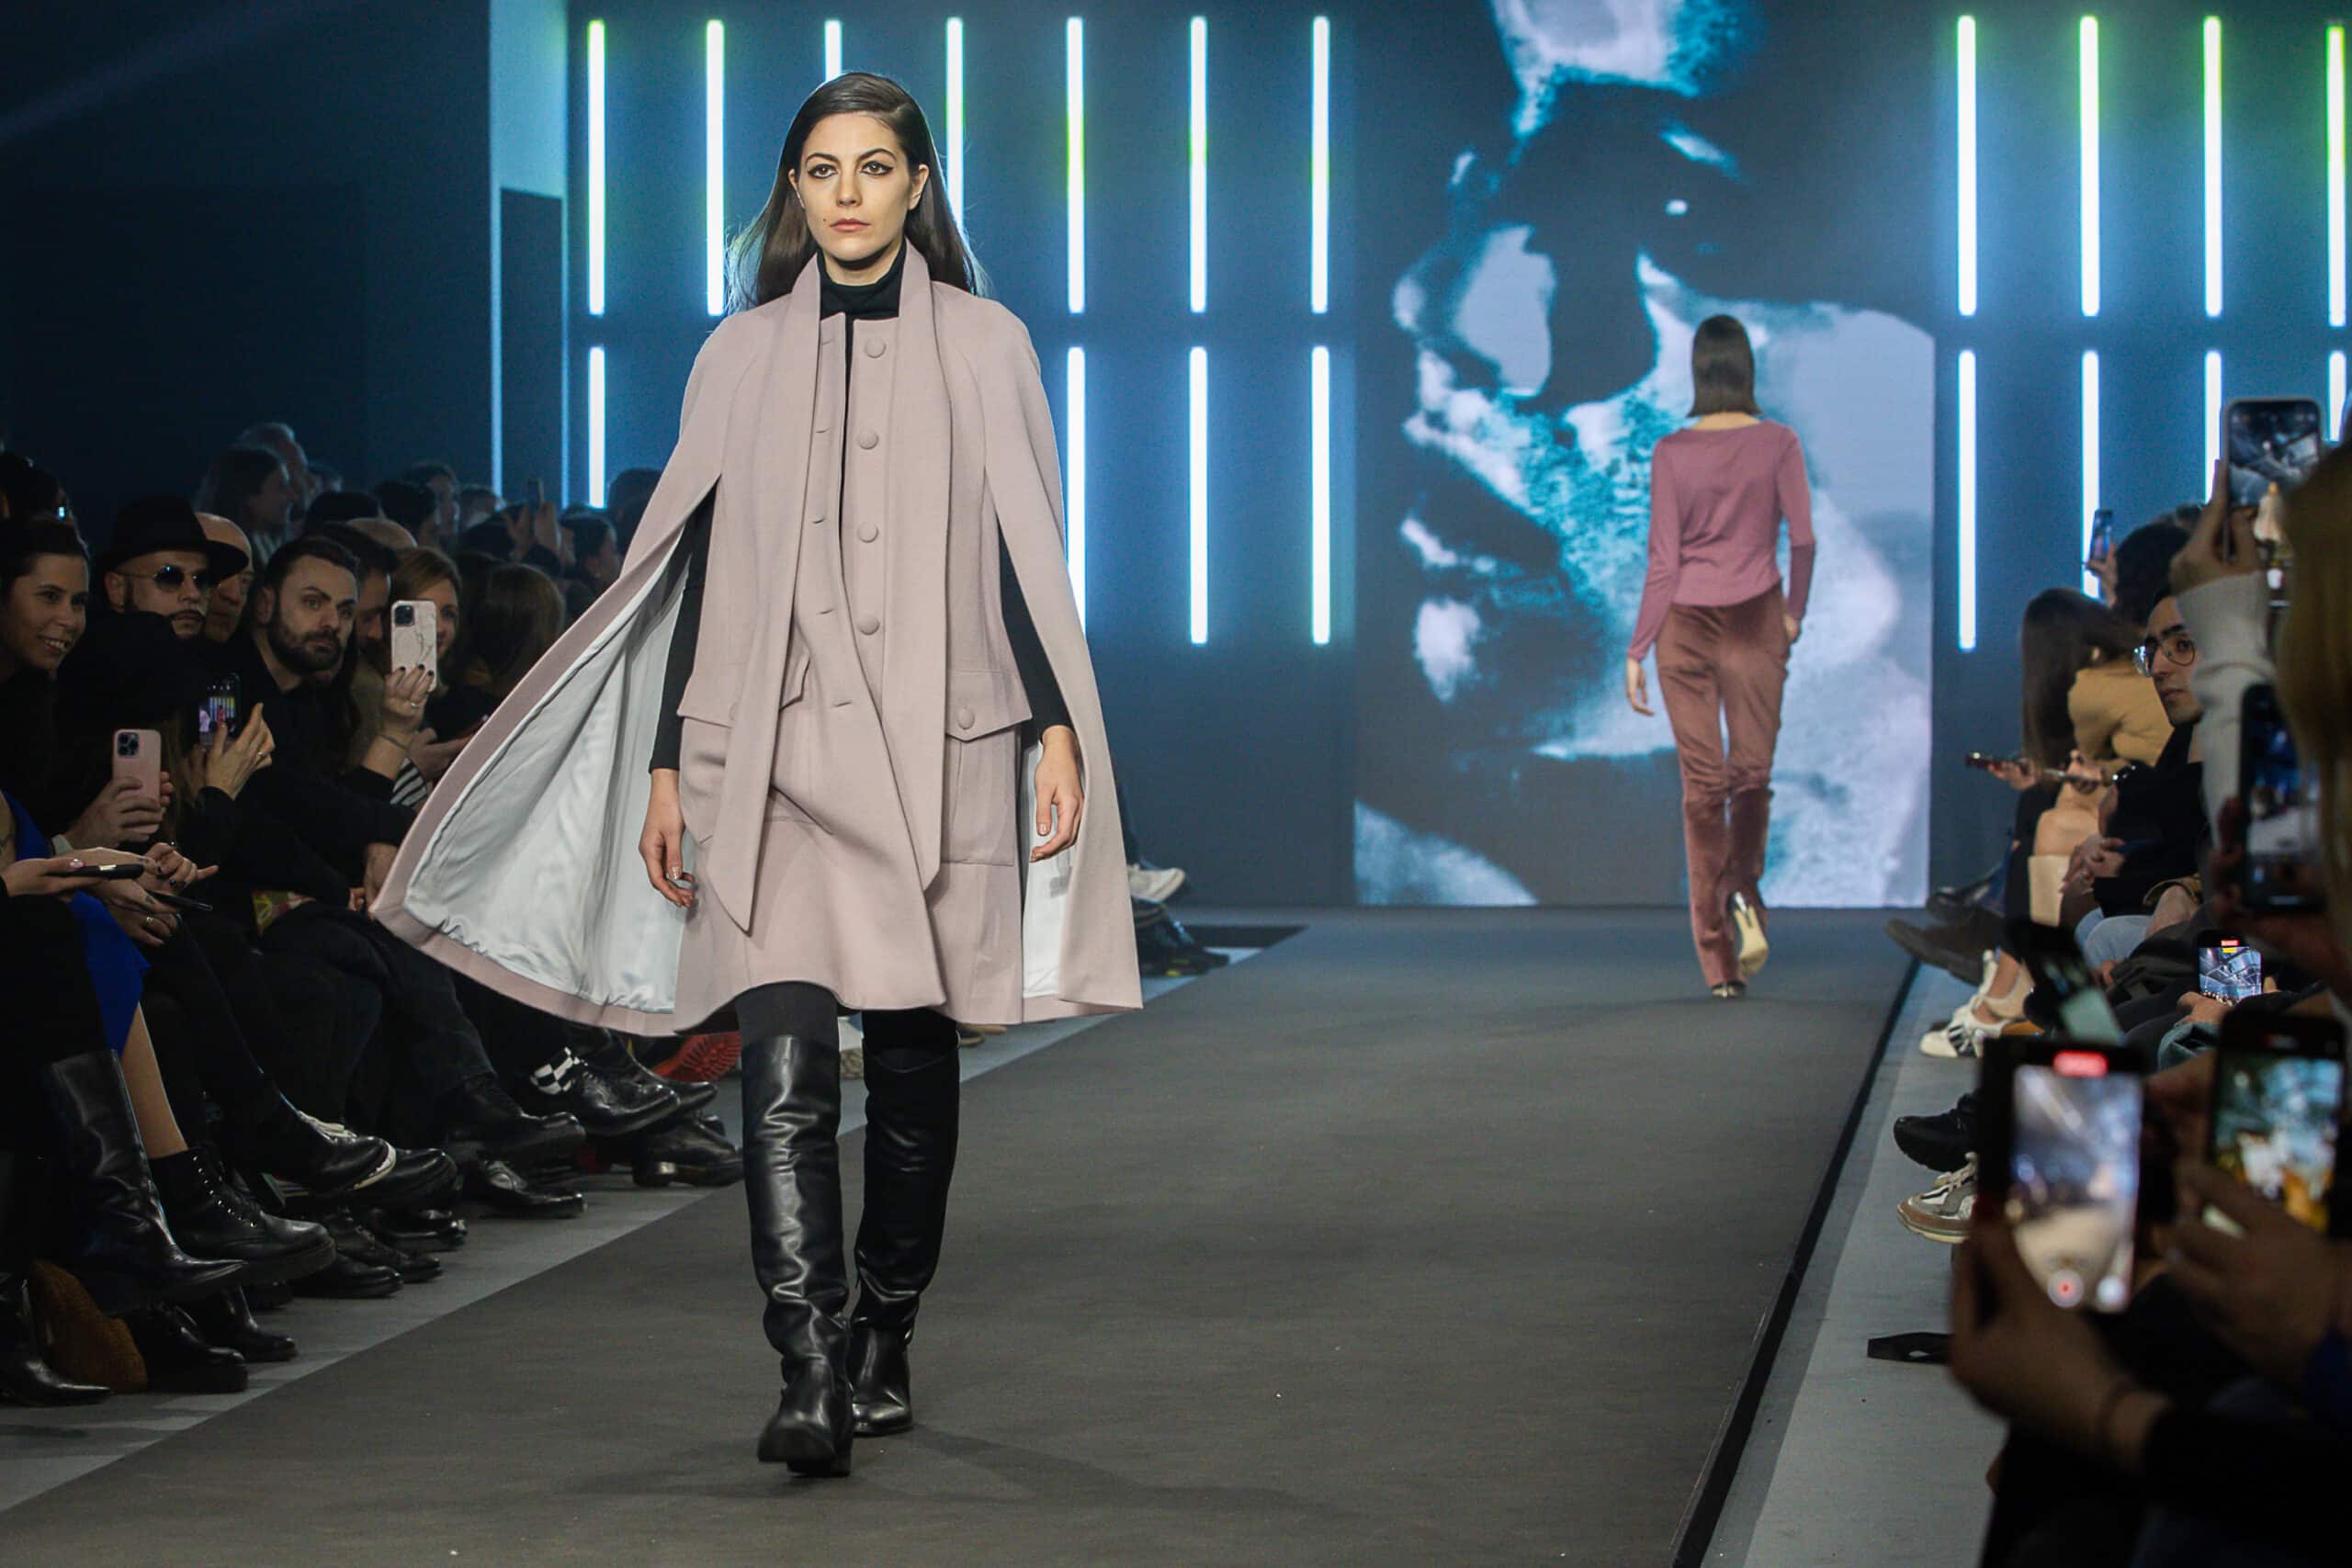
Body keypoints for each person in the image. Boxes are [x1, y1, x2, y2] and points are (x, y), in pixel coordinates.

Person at [373, 72, 1140, 1476]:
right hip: (775, 745)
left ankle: (885, 1327)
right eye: (821, 169)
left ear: (919, 185)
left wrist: (1056, 726)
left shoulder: (989, 345)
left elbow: (1027, 550)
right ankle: (808, 1362)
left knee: (910, 1058)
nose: (847, 193)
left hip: (944, 740)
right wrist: (670, 759)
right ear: (793, 189)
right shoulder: (739, 354)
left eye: (874, 167)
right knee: (784, 1056)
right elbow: (692, 563)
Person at [1623, 314, 1815, 998]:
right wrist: (1793, 613)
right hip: (1757, 617)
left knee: (1703, 791)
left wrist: (1638, 648)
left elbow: (1663, 561)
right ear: (1747, 368)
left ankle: (1717, 959)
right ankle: (1742, 892)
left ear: (1698, 370)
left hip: (1685, 626)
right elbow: (1804, 540)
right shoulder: (1779, 443)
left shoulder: (1672, 452)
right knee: (1750, 779)